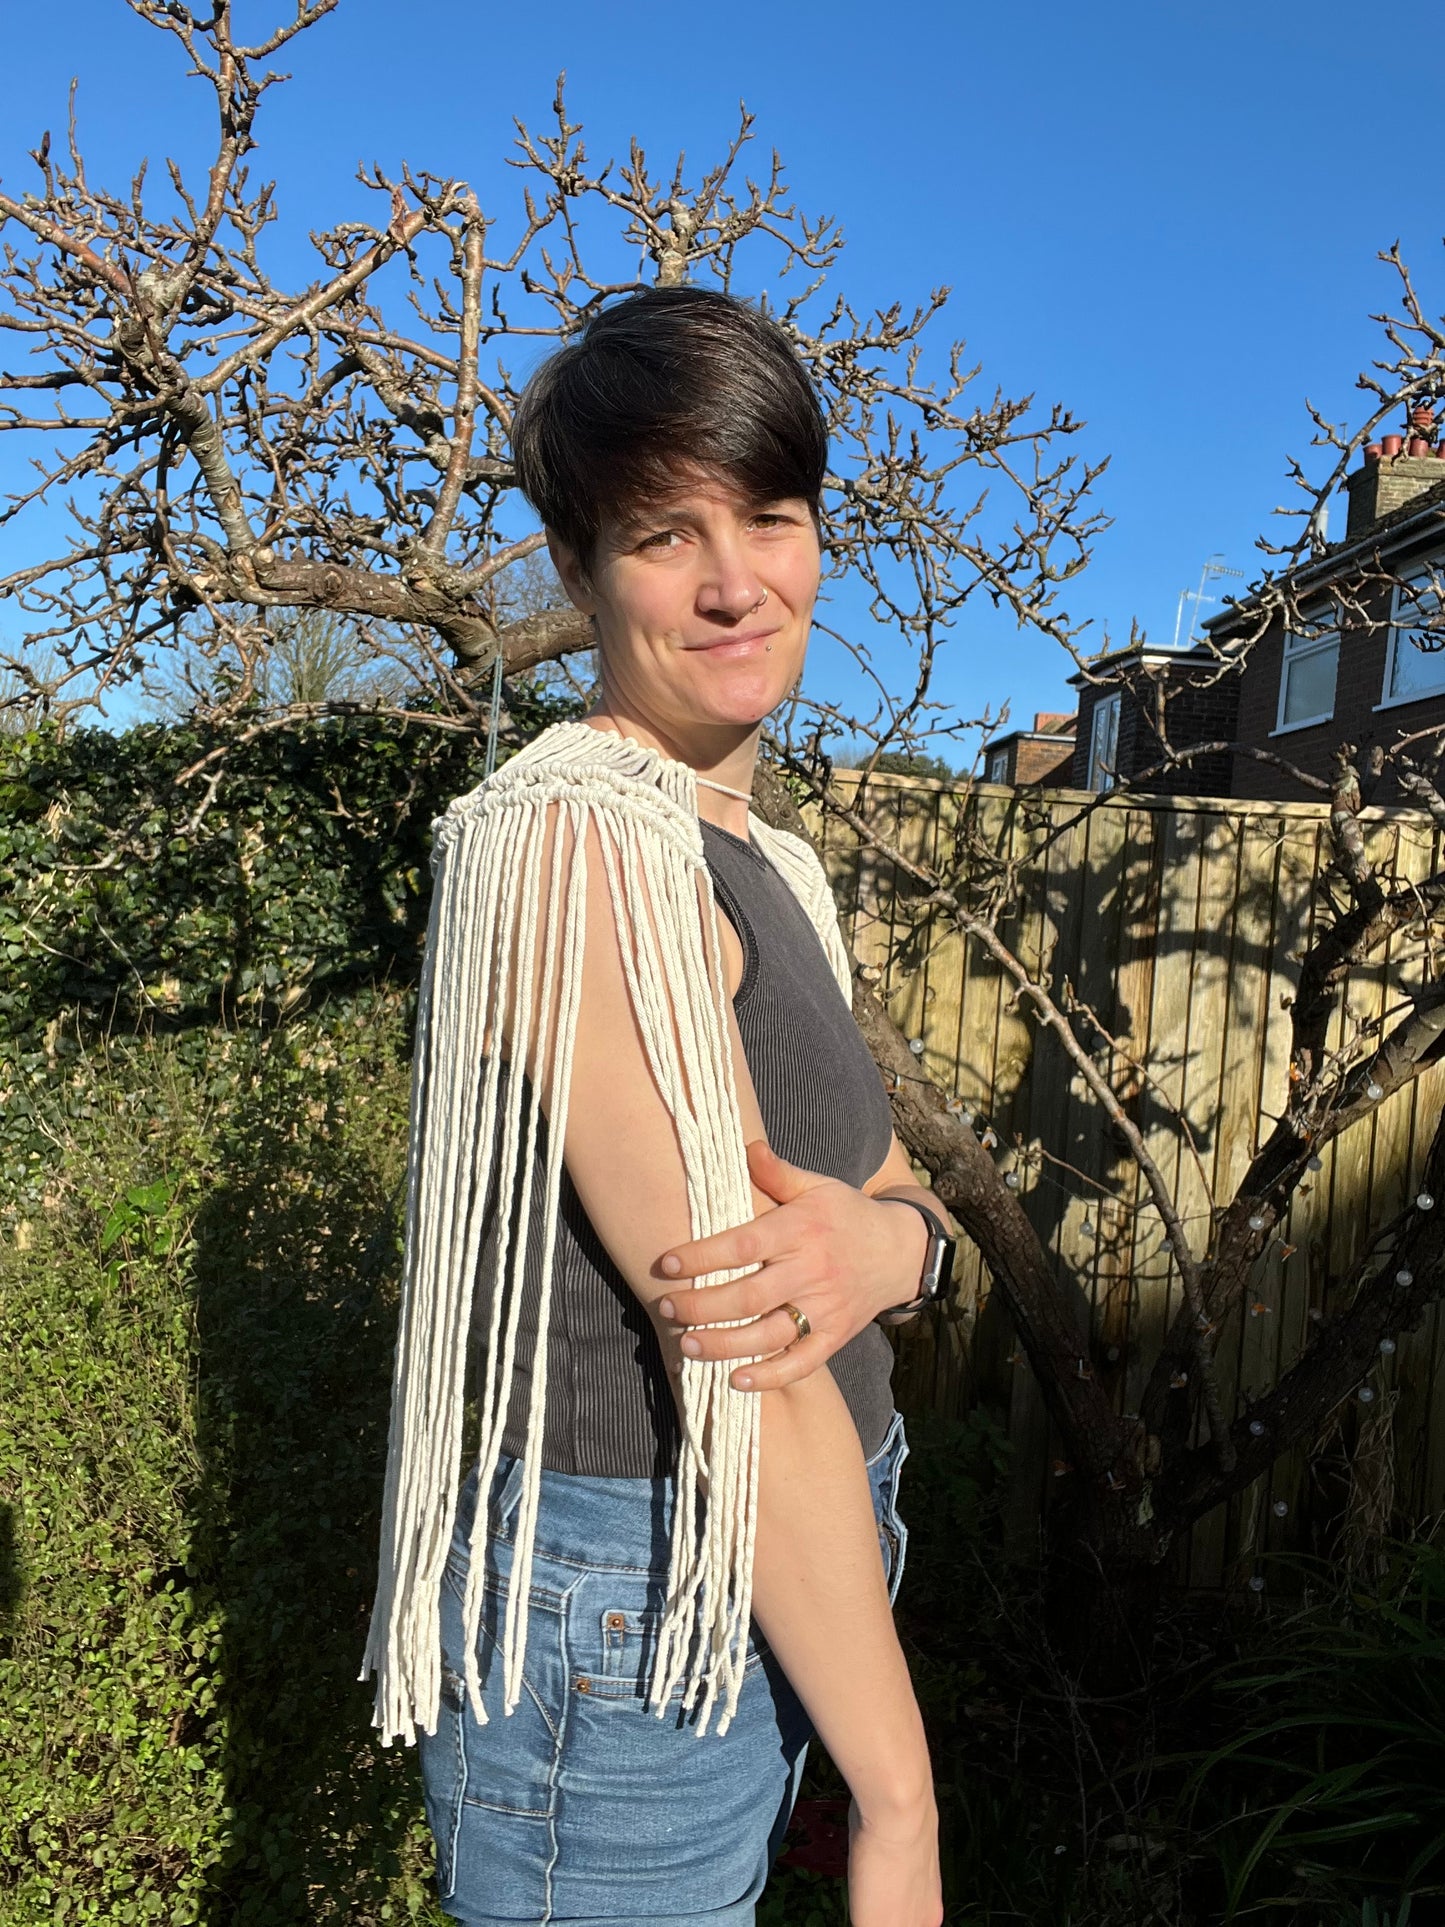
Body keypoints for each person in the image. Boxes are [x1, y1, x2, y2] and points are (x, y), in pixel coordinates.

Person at [364, 284, 952, 1927]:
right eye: (660, 533)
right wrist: (898, 1807)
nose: (730, 581)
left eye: (767, 515)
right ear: (575, 568)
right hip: (627, 1593)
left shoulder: (762, 859)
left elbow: (884, 1196)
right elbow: (743, 1357)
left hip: (796, 1548)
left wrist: (899, 1258)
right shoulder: (571, 843)